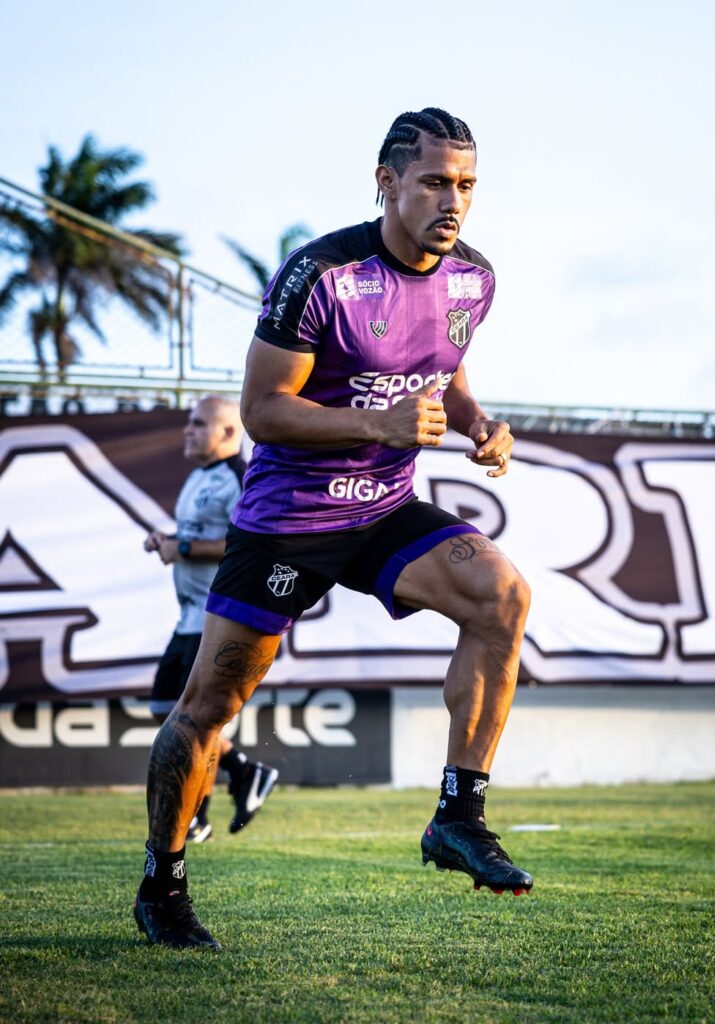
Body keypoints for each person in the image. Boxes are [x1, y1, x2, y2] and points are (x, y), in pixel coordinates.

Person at [134, 107, 533, 951]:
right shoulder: (318, 274)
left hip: (382, 512)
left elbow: (446, 373)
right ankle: (162, 884)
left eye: (465, 185)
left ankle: (458, 815)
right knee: (208, 705)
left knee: (501, 596)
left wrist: (477, 423)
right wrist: (376, 425)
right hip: (289, 523)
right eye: (432, 181)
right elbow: (261, 413)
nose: (451, 200)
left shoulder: (474, 279)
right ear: (385, 182)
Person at [143, 395, 278, 844]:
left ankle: (196, 816)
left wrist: (181, 549)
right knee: (166, 710)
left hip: (218, 619)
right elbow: (201, 536)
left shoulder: (239, 477)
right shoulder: (197, 478)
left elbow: (248, 541)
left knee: (197, 721)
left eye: (198, 424)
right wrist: (170, 539)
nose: (187, 430)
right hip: (188, 618)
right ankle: (244, 772)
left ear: (227, 432)